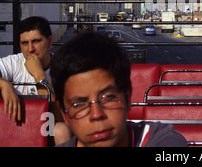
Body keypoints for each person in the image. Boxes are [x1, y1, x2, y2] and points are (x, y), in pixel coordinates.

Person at [50, 32, 188, 147]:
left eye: (108, 97)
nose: (96, 114)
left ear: (128, 98)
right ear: (65, 115)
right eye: (78, 105)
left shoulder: (163, 141)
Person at [0, 16, 69, 144]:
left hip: (45, 128)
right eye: (25, 43)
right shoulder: (15, 62)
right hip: (15, 125)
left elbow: (59, 118)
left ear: (50, 41)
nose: (30, 49)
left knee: (62, 130)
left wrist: (39, 77)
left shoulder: (62, 68)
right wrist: (4, 85)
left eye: (36, 41)